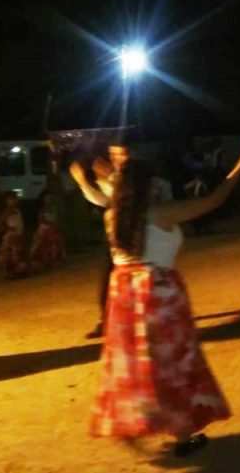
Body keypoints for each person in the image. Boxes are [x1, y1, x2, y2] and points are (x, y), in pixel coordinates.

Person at [75, 148, 240, 456]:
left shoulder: (112, 214)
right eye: (154, 180)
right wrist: (239, 169)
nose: (159, 183)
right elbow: (213, 200)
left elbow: (99, 194)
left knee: (132, 365)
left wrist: (82, 179)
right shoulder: (161, 213)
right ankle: (182, 435)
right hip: (158, 294)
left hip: (123, 295)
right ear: (147, 184)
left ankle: (131, 424)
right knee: (172, 365)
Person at [79, 140, 131, 340]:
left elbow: (115, 198)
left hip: (134, 236)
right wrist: (86, 182)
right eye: (112, 154)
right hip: (116, 238)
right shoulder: (113, 176)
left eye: (121, 154)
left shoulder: (133, 177)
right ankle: (107, 320)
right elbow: (105, 200)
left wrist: (104, 178)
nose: (116, 159)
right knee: (107, 282)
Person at [0, 191, 29, 278]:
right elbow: (0, 222)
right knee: (13, 255)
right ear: (7, 201)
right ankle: (12, 272)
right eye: (11, 199)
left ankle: (20, 272)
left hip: (18, 234)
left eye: (14, 199)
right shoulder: (8, 211)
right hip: (12, 236)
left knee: (19, 253)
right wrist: (8, 229)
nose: (13, 201)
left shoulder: (17, 210)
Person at [30, 190, 65, 267]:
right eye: (47, 198)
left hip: (52, 229)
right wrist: (49, 225)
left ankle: (52, 260)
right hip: (44, 230)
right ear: (43, 199)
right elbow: (41, 220)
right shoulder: (42, 209)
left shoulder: (53, 208)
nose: (49, 200)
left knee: (54, 244)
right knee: (44, 246)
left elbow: (55, 219)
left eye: (50, 198)